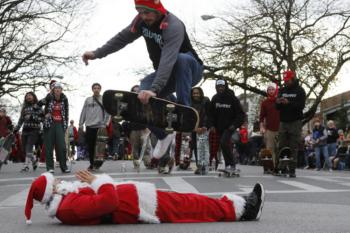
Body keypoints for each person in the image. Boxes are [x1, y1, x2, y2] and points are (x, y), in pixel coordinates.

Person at [82, 0, 203, 160]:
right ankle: (163, 136)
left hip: (190, 70)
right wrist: (97, 53)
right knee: (141, 94)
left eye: (147, 12)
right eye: (140, 12)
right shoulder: (140, 22)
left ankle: (183, 109)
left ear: (157, 9)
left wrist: (156, 88)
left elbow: (168, 59)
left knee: (181, 59)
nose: (144, 16)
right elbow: (121, 39)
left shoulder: (173, 25)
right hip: (166, 73)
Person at [24, 170, 265, 225]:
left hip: (139, 198)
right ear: (52, 191)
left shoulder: (67, 199)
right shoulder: (68, 207)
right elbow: (108, 202)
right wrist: (97, 181)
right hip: (138, 205)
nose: (61, 181)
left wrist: (94, 183)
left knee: (191, 201)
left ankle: (240, 204)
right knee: (192, 207)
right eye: (55, 182)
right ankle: (245, 209)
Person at [210, 79, 246, 172]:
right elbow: (211, 114)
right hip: (219, 127)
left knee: (224, 142)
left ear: (225, 86)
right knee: (223, 145)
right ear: (216, 87)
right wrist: (212, 125)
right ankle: (228, 165)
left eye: (222, 86)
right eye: (218, 87)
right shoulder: (215, 98)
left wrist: (235, 125)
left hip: (229, 127)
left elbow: (241, 114)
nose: (220, 88)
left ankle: (232, 164)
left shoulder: (232, 98)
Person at [275, 70, 306, 177]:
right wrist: (278, 102)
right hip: (283, 121)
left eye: (288, 80)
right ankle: (282, 168)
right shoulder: (282, 90)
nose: (286, 82)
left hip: (295, 122)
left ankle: (292, 170)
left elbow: (301, 106)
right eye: (285, 80)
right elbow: (277, 107)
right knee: (282, 146)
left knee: (293, 146)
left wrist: (289, 103)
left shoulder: (300, 90)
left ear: (293, 79)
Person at [79, 83, 109, 171]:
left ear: (100, 89)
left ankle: (98, 163)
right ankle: (92, 164)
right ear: (92, 89)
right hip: (89, 126)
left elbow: (108, 112)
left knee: (100, 147)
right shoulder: (88, 100)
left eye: (98, 88)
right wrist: (81, 124)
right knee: (90, 146)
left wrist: (106, 123)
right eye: (94, 88)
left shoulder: (104, 99)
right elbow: (83, 112)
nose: (96, 89)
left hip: (100, 126)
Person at [42, 82, 70, 173]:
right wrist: (44, 115)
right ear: (53, 90)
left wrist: (65, 125)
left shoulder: (64, 99)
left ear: (61, 90)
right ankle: (50, 167)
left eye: (59, 88)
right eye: (56, 88)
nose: (57, 90)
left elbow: (66, 112)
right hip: (49, 124)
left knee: (62, 146)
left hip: (60, 124)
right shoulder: (48, 97)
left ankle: (64, 167)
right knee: (49, 147)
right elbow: (37, 105)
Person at [14, 92, 44, 172]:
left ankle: (26, 166)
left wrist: (32, 117)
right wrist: (16, 129)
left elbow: (42, 119)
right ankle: (34, 160)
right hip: (25, 130)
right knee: (24, 149)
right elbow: (21, 120)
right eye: (27, 96)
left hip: (34, 130)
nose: (28, 97)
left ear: (34, 97)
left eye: (30, 96)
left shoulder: (38, 106)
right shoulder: (24, 108)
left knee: (29, 148)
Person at [191, 87, 211, 175]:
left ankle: (204, 166)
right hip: (194, 128)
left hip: (204, 128)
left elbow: (209, 115)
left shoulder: (206, 101)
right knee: (195, 147)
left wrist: (205, 126)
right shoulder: (190, 103)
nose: (195, 95)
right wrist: (194, 128)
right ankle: (199, 166)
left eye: (197, 93)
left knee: (203, 147)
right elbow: (189, 117)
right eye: (194, 93)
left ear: (201, 93)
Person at [259, 83, 280, 171]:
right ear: (267, 91)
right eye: (269, 89)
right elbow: (261, 116)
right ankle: (272, 167)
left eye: (272, 89)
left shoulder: (279, 101)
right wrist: (261, 127)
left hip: (280, 128)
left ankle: (280, 166)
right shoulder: (264, 103)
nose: (271, 91)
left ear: (275, 90)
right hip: (269, 129)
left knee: (279, 148)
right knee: (270, 149)